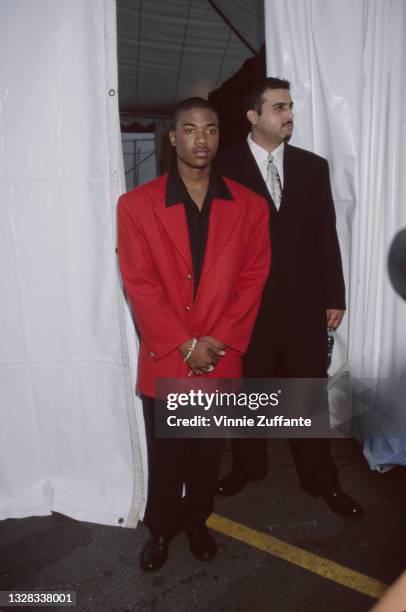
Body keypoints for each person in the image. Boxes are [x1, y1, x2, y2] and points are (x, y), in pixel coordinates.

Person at [117, 97, 270, 571]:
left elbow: (253, 277)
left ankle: (197, 521)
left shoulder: (250, 206)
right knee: (166, 458)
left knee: (206, 456)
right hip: (167, 355)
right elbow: (139, 283)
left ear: (220, 136)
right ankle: (160, 531)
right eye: (189, 129)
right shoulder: (136, 205)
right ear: (172, 137)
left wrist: (214, 341)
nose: (200, 139)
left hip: (220, 355)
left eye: (210, 129)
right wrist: (185, 342)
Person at [214, 77, 363, 518]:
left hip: (303, 305)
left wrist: (334, 294)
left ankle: (322, 480)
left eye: (291, 106)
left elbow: (325, 234)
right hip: (246, 308)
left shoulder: (313, 167)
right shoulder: (223, 167)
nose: (289, 114)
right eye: (279, 107)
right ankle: (247, 467)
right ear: (253, 115)